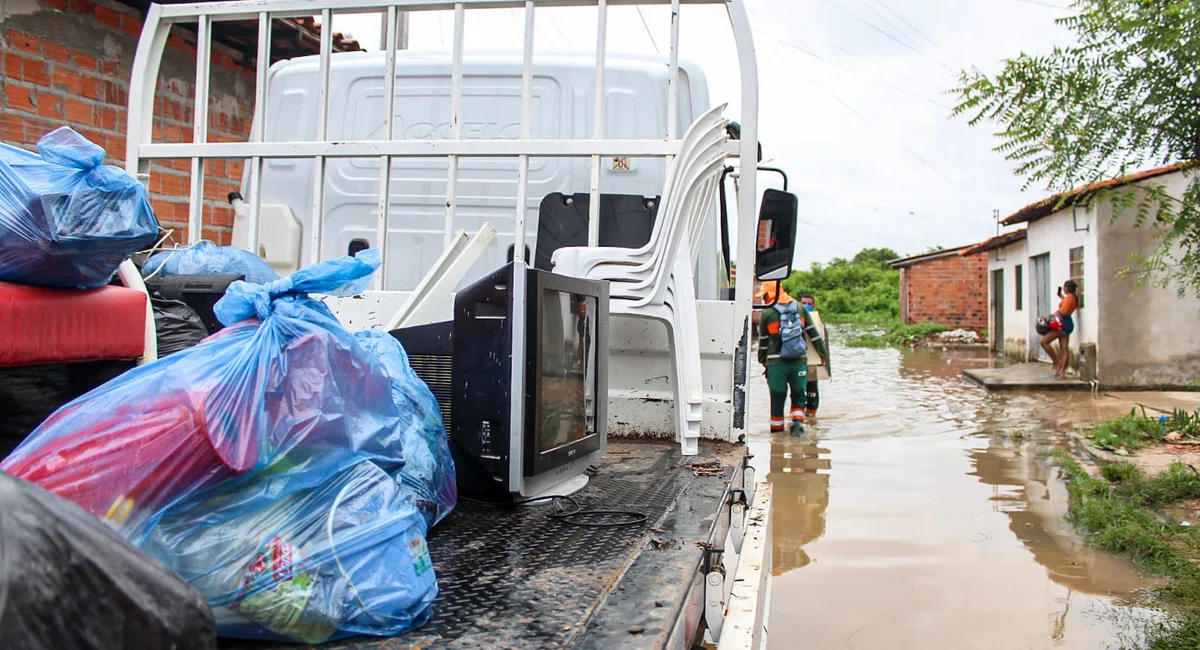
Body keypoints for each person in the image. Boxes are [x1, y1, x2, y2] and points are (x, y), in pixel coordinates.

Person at [757, 282, 829, 435]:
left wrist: (762, 359)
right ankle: (797, 424)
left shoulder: (768, 312)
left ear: (769, 294)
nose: (763, 299)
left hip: (776, 364)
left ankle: (776, 438)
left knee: (777, 399)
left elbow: (763, 341)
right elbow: (813, 334)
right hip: (799, 362)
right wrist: (822, 355)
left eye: (764, 295)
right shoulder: (800, 308)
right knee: (799, 395)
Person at [798, 293, 829, 418]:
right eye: (804, 303)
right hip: (795, 359)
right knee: (797, 389)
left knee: (811, 388)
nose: (806, 306)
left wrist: (823, 357)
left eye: (809, 304)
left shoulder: (816, 320)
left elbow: (821, 339)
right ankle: (798, 414)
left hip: (811, 359)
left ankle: (811, 416)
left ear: (814, 305)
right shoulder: (791, 317)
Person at [1039, 279, 1078, 378]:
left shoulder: (1069, 298)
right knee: (1064, 349)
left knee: (1044, 342)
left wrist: (1049, 317)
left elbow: (1063, 312)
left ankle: (1057, 363)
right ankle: (1062, 372)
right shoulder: (1073, 298)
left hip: (1061, 324)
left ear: (1066, 288)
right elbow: (1067, 305)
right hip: (1068, 324)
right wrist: (1061, 296)